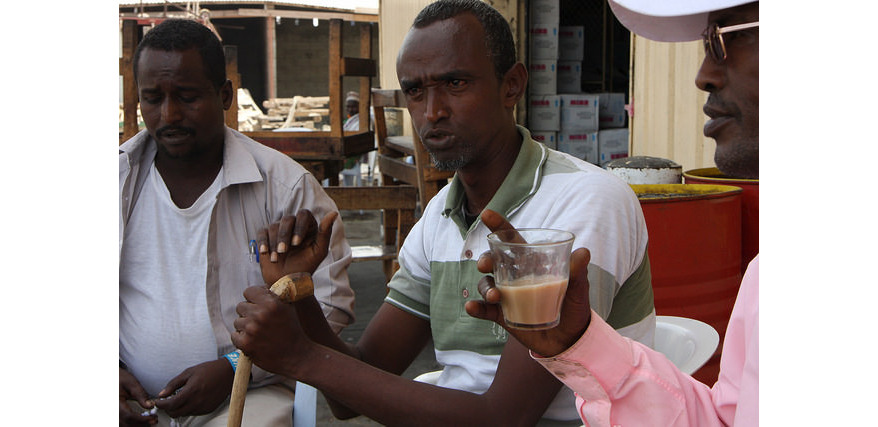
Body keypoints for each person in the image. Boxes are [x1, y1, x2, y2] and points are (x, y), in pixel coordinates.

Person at [232, 1, 655, 425]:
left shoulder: (587, 200)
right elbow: (352, 393)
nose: (431, 112)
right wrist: (300, 293)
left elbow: (503, 418)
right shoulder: (440, 216)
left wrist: (303, 359)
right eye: (415, 91)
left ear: (512, 85)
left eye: (454, 82)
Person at [467, 1, 759, 425]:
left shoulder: (595, 198)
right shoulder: (762, 277)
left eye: (730, 37)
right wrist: (579, 343)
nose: (703, 75)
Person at [118, 19, 355, 426]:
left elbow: (331, 308)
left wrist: (234, 368)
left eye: (187, 97)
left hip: (249, 395)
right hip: (133, 401)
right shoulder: (115, 181)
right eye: (152, 98)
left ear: (225, 95)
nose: (169, 114)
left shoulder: (285, 187)